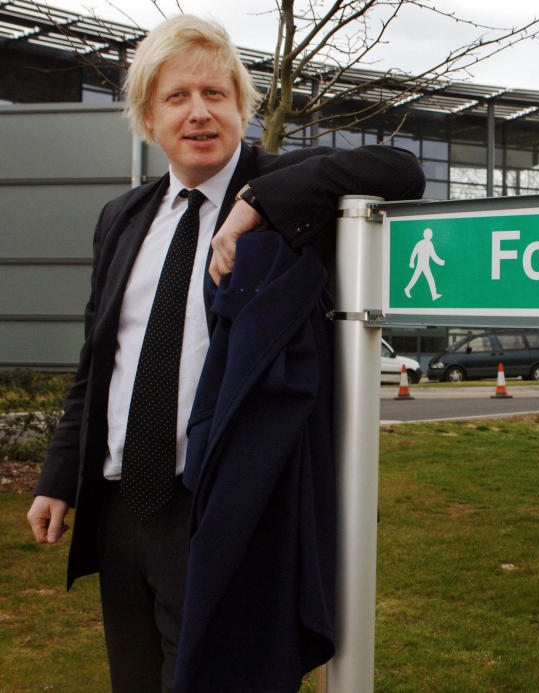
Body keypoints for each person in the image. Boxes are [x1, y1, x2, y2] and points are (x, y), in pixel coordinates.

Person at [26, 14, 424, 692]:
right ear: (149, 117)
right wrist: (60, 478)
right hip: (125, 507)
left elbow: (401, 169)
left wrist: (256, 204)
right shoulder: (122, 217)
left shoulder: (291, 189)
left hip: (224, 509)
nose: (199, 113)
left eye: (216, 94)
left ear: (243, 107)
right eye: (177, 97)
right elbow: (101, 361)